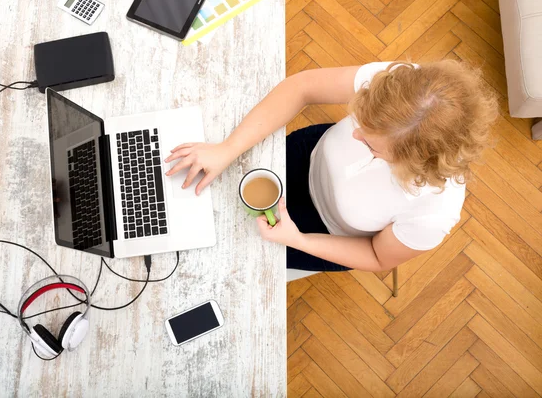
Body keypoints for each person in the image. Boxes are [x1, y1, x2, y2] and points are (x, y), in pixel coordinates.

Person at [163, 61, 497, 274]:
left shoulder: (433, 213)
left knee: (220, 260)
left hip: (324, 232)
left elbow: (377, 257)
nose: (354, 134)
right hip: (307, 155)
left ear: (412, 165)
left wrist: (299, 239)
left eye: (370, 143)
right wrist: (228, 149)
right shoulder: (405, 89)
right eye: (362, 121)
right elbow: (302, 88)